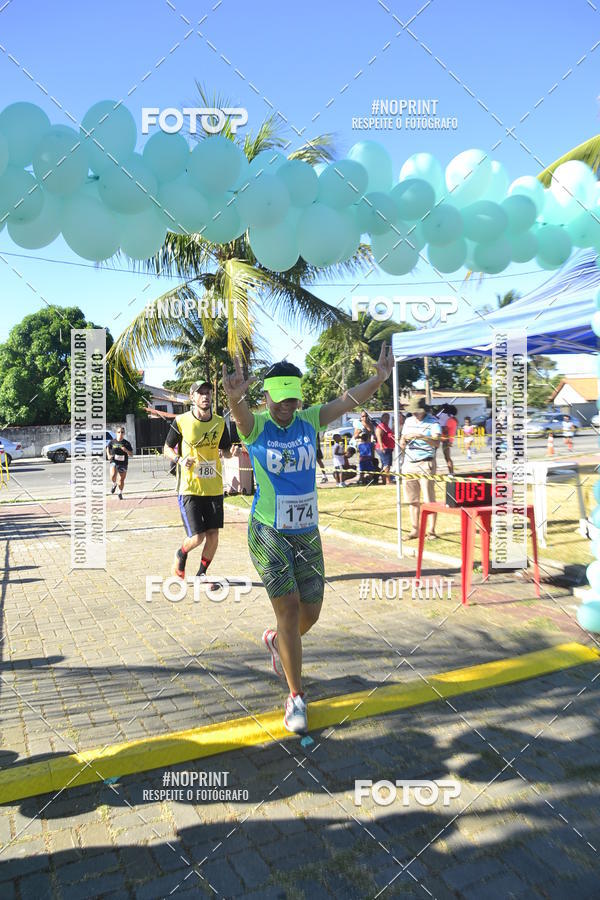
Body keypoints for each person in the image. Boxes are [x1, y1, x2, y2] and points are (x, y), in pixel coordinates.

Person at [223, 346, 394, 733]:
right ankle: (296, 697)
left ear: (299, 397)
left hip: (306, 532)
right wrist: (235, 399)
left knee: (309, 614)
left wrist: (379, 379)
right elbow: (241, 415)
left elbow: (347, 400)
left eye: (291, 399)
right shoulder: (258, 426)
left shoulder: (309, 419)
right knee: (288, 607)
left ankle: (276, 642)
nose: (285, 407)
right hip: (268, 529)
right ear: (266, 397)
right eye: (278, 400)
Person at [163, 381, 236, 587]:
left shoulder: (220, 423)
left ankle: (201, 574)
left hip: (213, 487)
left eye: (207, 392)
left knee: (213, 536)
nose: (205, 396)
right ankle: (181, 553)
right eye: (200, 393)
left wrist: (233, 453)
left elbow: (226, 451)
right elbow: (167, 448)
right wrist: (179, 459)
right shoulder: (181, 421)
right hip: (189, 488)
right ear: (192, 397)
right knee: (197, 537)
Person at [399, 397, 441, 540]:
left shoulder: (433, 422)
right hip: (409, 464)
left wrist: (421, 436)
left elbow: (436, 443)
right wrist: (403, 442)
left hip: (425, 463)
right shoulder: (408, 421)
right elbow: (402, 439)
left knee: (429, 499)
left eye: (418, 411)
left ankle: (432, 530)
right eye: (413, 411)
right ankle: (415, 530)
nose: (415, 414)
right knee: (412, 500)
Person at [106, 426, 133, 499]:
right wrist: (108, 455)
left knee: (121, 480)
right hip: (114, 461)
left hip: (123, 463)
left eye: (122, 432)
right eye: (119, 432)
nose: (120, 433)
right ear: (116, 433)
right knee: (113, 475)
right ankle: (114, 484)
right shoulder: (112, 442)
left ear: (124, 434)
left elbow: (131, 454)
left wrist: (126, 450)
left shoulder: (126, 443)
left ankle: (120, 493)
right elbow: (108, 448)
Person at [375, 412, 396, 485]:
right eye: (385, 417)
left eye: (388, 418)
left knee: (385, 464)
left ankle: (384, 480)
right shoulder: (381, 426)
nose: (387, 419)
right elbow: (379, 436)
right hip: (384, 448)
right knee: (387, 465)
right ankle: (387, 481)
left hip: (389, 448)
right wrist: (381, 446)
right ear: (382, 418)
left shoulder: (386, 426)